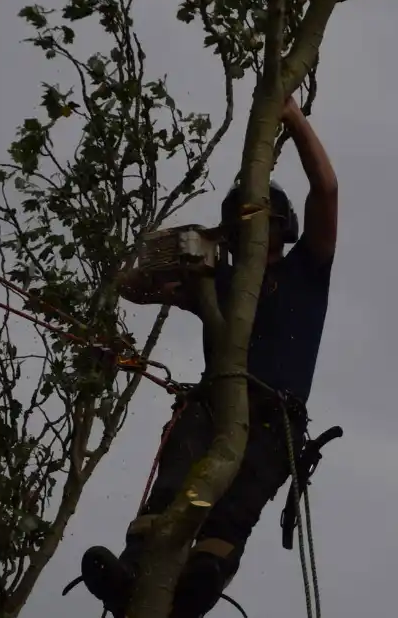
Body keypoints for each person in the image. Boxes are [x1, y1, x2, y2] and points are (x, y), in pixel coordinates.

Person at [79, 96, 338, 618]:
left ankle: (204, 576)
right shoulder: (216, 282)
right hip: (210, 406)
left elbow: (326, 189)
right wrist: (183, 253)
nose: (254, 231)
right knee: (177, 490)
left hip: (274, 417)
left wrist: (292, 117)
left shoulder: (306, 270)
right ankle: (136, 570)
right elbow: (133, 288)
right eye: (243, 223)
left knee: (233, 505)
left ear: (281, 227)